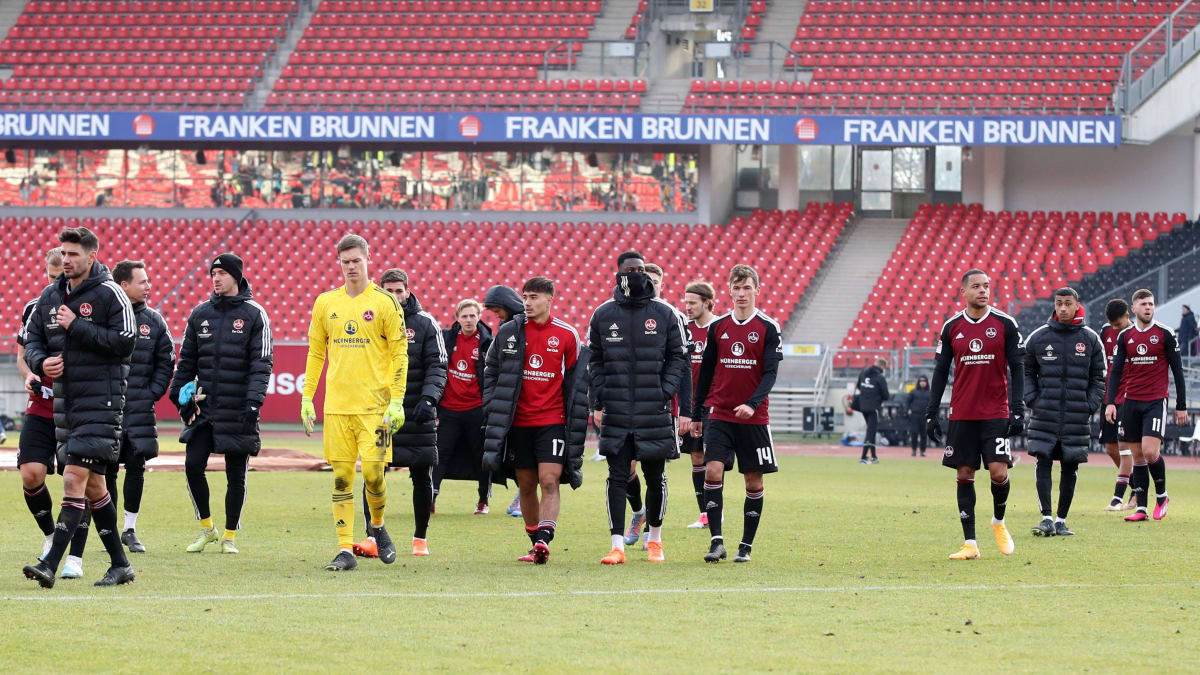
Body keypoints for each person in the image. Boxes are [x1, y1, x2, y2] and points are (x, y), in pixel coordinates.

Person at [21, 227, 137, 588]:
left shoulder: (110, 294)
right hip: (65, 405)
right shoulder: (50, 295)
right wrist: (42, 364)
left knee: (73, 479)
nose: (67, 259)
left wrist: (80, 326)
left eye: (73, 254)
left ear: (92, 256)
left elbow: (126, 342)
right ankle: (121, 565)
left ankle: (50, 564)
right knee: (94, 488)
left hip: (101, 402)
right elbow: (34, 341)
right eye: (64, 253)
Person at [300, 236, 407, 571]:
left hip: (376, 410)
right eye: (345, 261)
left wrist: (398, 401)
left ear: (368, 259)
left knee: (375, 476)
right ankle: (345, 550)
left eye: (356, 260)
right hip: (337, 409)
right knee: (342, 478)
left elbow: (400, 353)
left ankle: (376, 525)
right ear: (339, 263)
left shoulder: (386, 303)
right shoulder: (325, 303)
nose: (351, 266)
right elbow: (317, 353)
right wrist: (307, 397)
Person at [589, 252, 689, 564]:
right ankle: (617, 544)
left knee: (655, 476)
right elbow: (594, 359)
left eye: (640, 269)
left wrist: (664, 389)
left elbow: (678, 357)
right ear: (618, 273)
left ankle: (655, 539)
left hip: (653, 408)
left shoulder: (665, 313)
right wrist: (600, 397)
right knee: (616, 475)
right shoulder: (603, 314)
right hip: (618, 409)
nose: (635, 273)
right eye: (629, 269)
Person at [169, 253, 273, 555]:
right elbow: (186, 360)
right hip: (205, 407)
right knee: (192, 465)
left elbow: (261, 362)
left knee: (235, 474)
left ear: (236, 277)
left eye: (222, 273)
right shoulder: (200, 313)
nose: (216, 278)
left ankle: (229, 536)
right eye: (213, 273)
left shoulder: (255, 314)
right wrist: (178, 395)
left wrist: (254, 402)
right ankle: (207, 529)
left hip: (239, 407)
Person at [482, 276, 589, 565]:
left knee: (549, 480)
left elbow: (578, 384)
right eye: (525, 297)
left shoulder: (567, 335)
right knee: (526, 484)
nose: (527, 303)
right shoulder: (509, 332)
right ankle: (535, 544)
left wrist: (576, 418)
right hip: (518, 423)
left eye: (534, 297)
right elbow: (490, 370)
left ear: (550, 300)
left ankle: (544, 538)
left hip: (552, 420)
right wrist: (493, 403)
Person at [925, 269, 1024, 561]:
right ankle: (970, 543)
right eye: (977, 286)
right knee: (965, 473)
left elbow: (1018, 368)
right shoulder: (952, 326)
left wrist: (1017, 409)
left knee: (998, 472)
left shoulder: (1005, 324)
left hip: (995, 412)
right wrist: (932, 412)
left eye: (987, 286)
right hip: (963, 413)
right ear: (963, 292)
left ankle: (998, 521)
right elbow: (941, 371)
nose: (983, 291)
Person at [691, 264, 782, 564]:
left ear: (757, 289)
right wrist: (696, 414)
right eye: (737, 287)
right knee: (712, 471)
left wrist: (753, 403)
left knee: (753, 483)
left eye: (747, 288)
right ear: (729, 290)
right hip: (720, 413)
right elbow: (705, 374)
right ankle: (717, 541)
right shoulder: (717, 328)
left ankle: (746, 546)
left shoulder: (768, 327)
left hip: (754, 418)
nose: (742, 293)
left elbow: (770, 373)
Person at [354, 269, 446, 558]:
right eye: (388, 291)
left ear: (407, 291)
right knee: (373, 474)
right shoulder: (366, 321)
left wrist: (429, 399)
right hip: (379, 415)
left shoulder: (425, 323)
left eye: (399, 290)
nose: (394, 296)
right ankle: (372, 535)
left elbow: (437, 366)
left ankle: (420, 538)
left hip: (417, 413)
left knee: (421, 475)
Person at [614, 260, 692, 548]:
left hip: (662, 407)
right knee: (628, 468)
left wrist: (685, 408)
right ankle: (638, 513)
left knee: (654, 470)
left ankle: (653, 532)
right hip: (627, 406)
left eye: (656, 281)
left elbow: (683, 365)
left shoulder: (671, 316)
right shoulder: (623, 313)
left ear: (662, 284)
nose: (650, 285)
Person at [1022, 288, 1106, 537]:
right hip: (1044, 413)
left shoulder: (1090, 339)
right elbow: (1025, 370)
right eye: (1059, 304)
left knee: (1070, 467)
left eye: (1068, 303)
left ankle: (1061, 520)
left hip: (1076, 415)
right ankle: (1046, 518)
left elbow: (1099, 377)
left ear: (1077, 305)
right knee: (1043, 461)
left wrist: (1090, 404)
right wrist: (1032, 398)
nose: (1063, 308)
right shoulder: (1038, 337)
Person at [1105, 289, 1189, 522]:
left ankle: (1162, 496)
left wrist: (1180, 405)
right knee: (1138, 455)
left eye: (1151, 304)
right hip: (1131, 401)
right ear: (1134, 309)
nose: (1148, 307)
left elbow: (1178, 371)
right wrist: (1111, 402)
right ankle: (1141, 509)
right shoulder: (1125, 337)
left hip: (1155, 400)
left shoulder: (1165, 334)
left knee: (1151, 451)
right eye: (1143, 304)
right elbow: (1116, 372)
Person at [110, 260, 175, 553]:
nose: (149, 287)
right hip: (106, 406)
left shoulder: (155, 320)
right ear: (124, 285)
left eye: (148, 281)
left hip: (139, 407)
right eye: (143, 282)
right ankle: (108, 528)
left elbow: (167, 361)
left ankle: (129, 529)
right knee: (105, 468)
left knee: (136, 466)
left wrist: (152, 393)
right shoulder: (104, 316)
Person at [16, 249, 72, 568]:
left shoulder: (85, 306)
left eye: (60, 277)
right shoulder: (34, 308)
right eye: (50, 277)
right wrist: (31, 376)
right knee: (31, 473)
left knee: (79, 479)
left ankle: (80, 550)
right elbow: (23, 356)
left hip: (76, 403)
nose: (54, 283)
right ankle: (50, 535)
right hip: (41, 402)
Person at [433, 298, 498, 515]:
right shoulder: (445, 338)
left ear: (479, 317)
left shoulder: (488, 342)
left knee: (480, 456)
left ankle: (482, 501)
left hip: (476, 409)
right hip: (449, 409)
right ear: (457, 318)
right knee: (439, 454)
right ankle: (431, 498)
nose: (468, 320)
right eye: (464, 316)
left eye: (472, 315)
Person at [483, 283, 527, 518]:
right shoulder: (505, 329)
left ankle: (525, 496)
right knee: (511, 455)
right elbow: (493, 368)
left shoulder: (528, 325)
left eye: (497, 310)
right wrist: (491, 399)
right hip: (507, 404)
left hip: (525, 404)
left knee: (523, 456)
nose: (496, 315)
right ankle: (523, 494)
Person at [682, 280, 718, 528]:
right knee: (696, 457)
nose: (687, 307)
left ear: (707, 303)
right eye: (686, 302)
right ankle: (705, 515)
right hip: (691, 405)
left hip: (714, 404)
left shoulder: (719, 328)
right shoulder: (684, 330)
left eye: (692, 303)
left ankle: (717, 511)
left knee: (712, 460)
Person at [1099, 299, 1136, 510]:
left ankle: (1117, 497)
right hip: (1110, 398)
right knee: (1110, 447)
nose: (1116, 329)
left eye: (1119, 324)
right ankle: (1138, 487)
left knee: (1124, 447)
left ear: (1128, 316)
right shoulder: (1105, 332)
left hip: (1129, 397)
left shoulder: (1137, 334)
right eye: (1112, 325)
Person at [854, 357, 890, 464]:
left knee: (871, 430)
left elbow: (858, 387)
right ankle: (863, 457)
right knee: (870, 431)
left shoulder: (863, 372)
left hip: (863, 406)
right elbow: (886, 395)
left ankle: (874, 456)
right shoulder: (880, 377)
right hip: (873, 407)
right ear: (882, 366)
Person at [905, 376, 931, 457]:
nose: (922, 383)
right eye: (921, 381)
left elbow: (933, 404)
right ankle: (914, 450)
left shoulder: (930, 393)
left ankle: (923, 451)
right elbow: (907, 402)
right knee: (914, 433)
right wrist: (907, 411)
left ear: (926, 383)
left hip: (925, 416)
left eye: (924, 381)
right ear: (918, 382)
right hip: (915, 415)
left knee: (924, 434)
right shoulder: (913, 392)